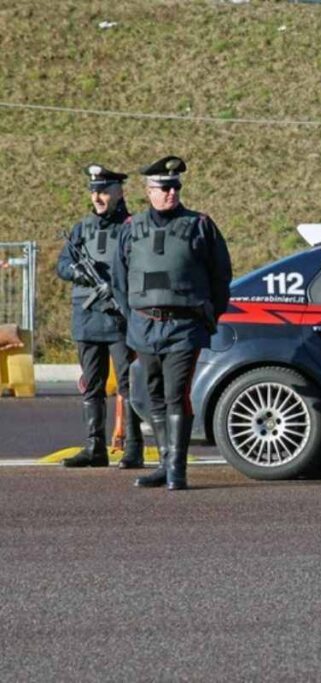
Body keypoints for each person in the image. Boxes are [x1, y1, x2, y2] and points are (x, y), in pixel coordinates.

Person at [112, 156, 232, 491]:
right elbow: (120, 281)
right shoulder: (131, 229)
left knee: (176, 393)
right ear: (149, 190)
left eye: (175, 186)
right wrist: (133, 315)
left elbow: (221, 276)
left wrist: (210, 315)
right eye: (164, 187)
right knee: (152, 395)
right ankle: (164, 463)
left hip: (184, 327)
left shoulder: (200, 226)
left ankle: (177, 470)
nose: (171, 192)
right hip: (144, 326)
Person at [57, 164, 145, 469]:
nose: (98, 197)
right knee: (91, 385)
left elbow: (141, 269)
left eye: (104, 191)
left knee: (128, 384)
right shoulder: (82, 228)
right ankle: (95, 448)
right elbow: (63, 264)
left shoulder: (132, 227)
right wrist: (77, 273)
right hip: (87, 317)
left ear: (119, 192)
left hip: (119, 318)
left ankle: (133, 447)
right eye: (94, 191)